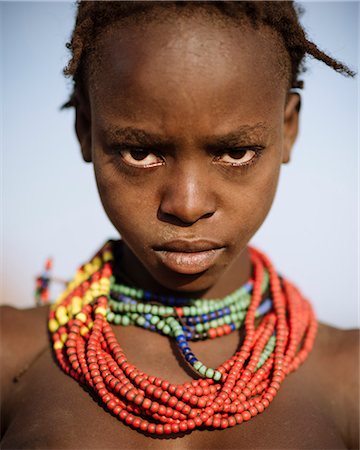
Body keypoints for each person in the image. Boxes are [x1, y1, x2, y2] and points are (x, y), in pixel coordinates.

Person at [1, 1, 358, 449]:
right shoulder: (13, 359)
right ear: (85, 128)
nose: (187, 206)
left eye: (235, 153)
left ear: (287, 129)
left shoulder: (349, 380)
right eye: (139, 153)